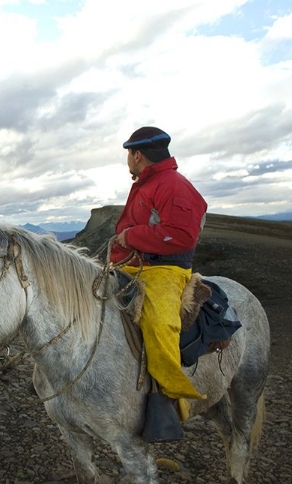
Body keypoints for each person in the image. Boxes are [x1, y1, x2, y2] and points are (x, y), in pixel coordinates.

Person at [111, 126, 208, 442]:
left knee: (158, 324)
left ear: (137, 155)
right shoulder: (147, 184)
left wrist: (131, 237)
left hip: (164, 271)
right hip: (135, 265)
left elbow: (181, 236)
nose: (128, 160)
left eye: (129, 154)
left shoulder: (173, 186)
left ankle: (171, 402)